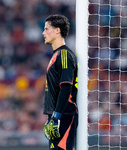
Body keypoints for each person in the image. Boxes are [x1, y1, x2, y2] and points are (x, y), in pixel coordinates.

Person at [42, 14, 78, 150]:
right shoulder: (57, 55)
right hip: (57, 117)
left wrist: (56, 116)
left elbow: (66, 88)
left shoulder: (64, 55)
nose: (43, 33)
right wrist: (51, 116)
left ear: (57, 31)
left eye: (46, 29)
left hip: (64, 116)